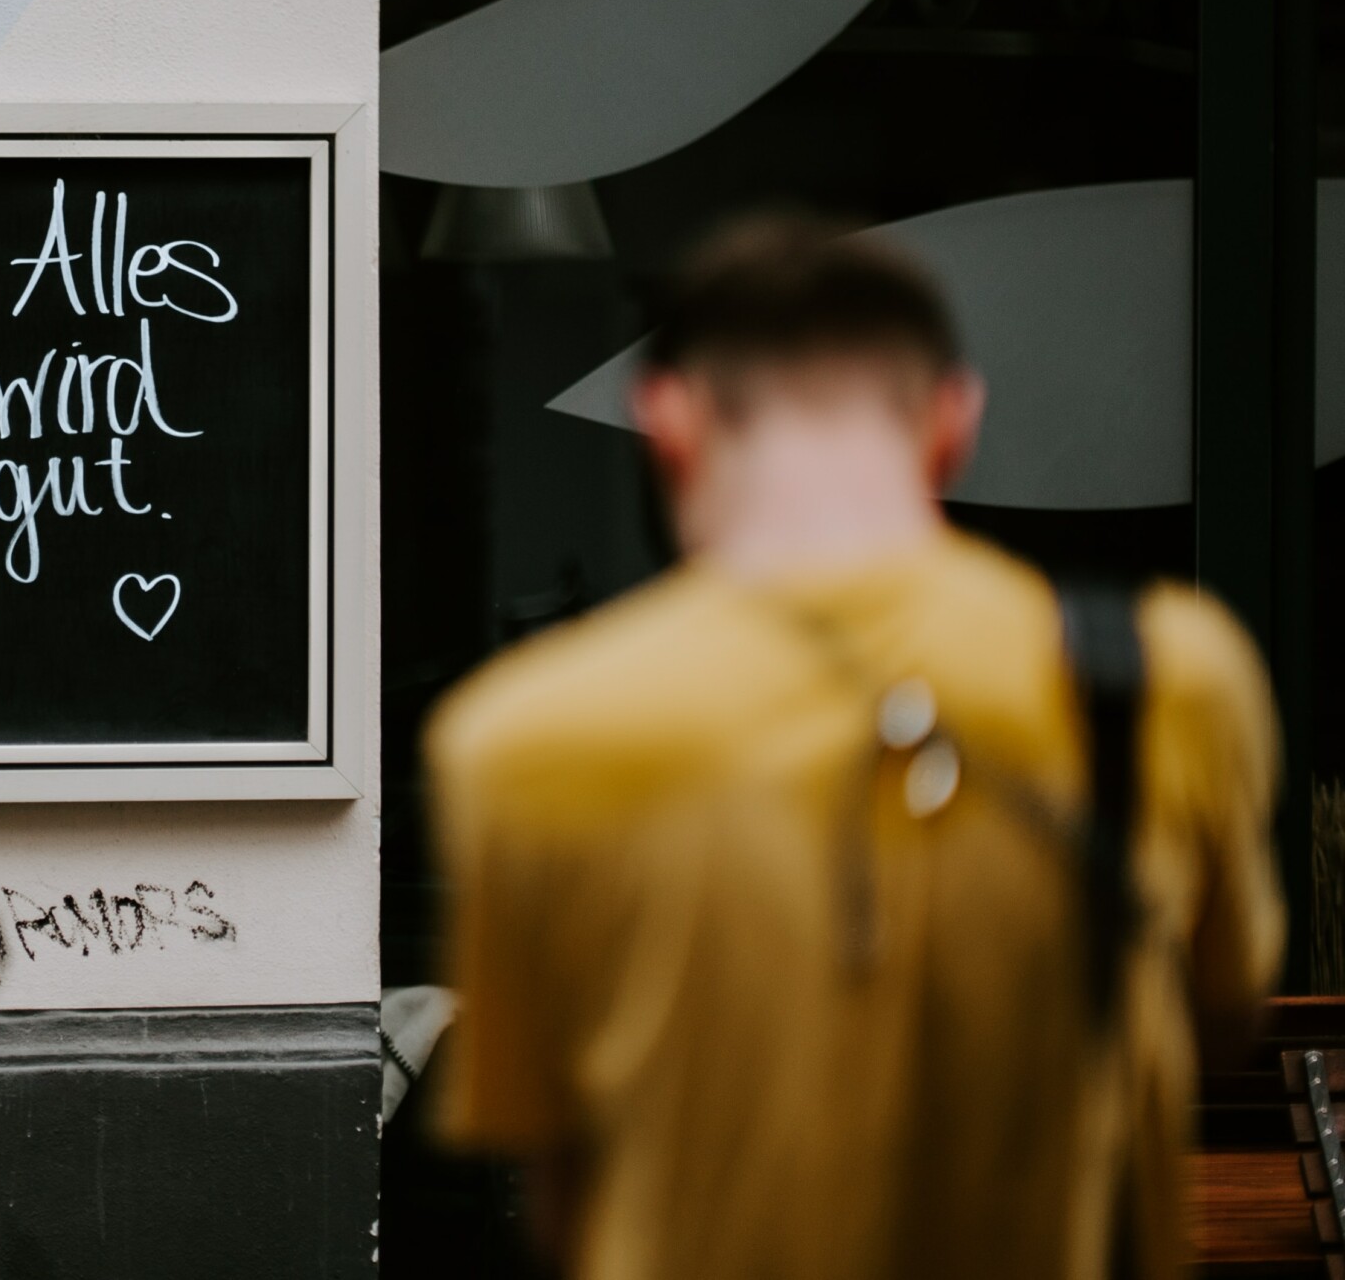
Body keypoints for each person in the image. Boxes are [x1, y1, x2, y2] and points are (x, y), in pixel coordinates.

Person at [425, 215, 1281, 1280]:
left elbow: (557, 1180)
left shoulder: (519, 737)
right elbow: (1217, 1016)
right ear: (952, 423)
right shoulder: (1166, 681)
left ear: (669, 423)